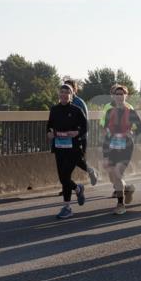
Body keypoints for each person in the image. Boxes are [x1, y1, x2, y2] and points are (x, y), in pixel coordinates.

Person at [102, 84, 141, 215]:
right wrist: (104, 154)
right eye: (117, 94)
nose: (119, 96)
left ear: (126, 96)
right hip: (112, 147)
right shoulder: (109, 112)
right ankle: (127, 188)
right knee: (112, 176)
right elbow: (106, 133)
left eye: (122, 94)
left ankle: (121, 204)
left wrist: (132, 134)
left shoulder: (131, 112)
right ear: (113, 96)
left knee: (117, 173)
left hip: (126, 147)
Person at [47, 83, 89, 218]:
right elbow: (49, 126)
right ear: (59, 95)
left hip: (73, 149)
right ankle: (78, 188)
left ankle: (67, 207)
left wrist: (77, 132)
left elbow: (85, 127)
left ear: (71, 95)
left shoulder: (76, 110)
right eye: (62, 92)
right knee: (62, 178)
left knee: (66, 177)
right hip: (59, 148)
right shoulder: (54, 109)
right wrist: (49, 133)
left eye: (67, 92)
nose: (64, 94)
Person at [63, 79, 98, 186]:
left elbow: (85, 122)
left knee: (77, 160)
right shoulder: (63, 102)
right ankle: (67, 185)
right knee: (65, 163)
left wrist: (78, 133)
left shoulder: (79, 102)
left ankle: (90, 171)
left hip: (79, 138)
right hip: (65, 138)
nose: (66, 91)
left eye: (69, 88)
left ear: (74, 90)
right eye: (64, 89)